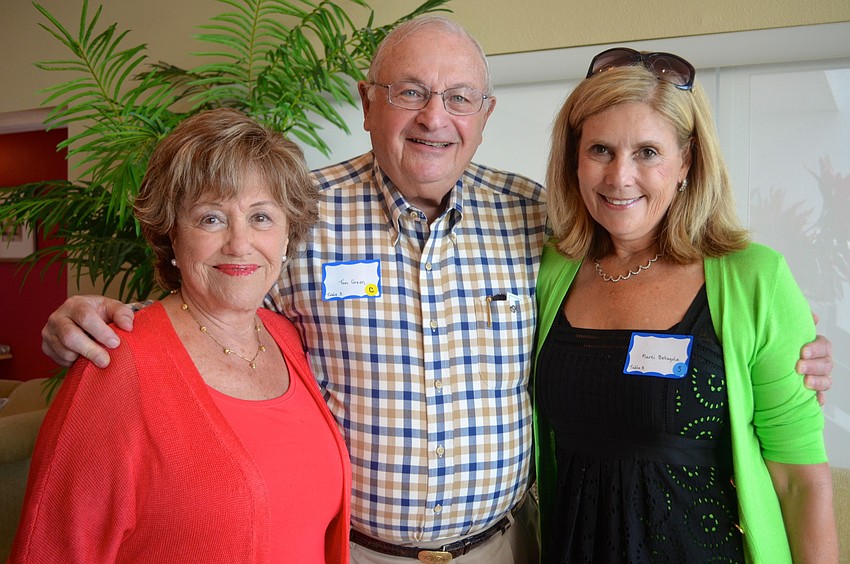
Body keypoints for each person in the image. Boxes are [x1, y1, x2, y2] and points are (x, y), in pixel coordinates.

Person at [39, 18, 835, 564]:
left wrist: (778, 356)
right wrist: (99, 318)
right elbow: (216, 306)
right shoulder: (296, 214)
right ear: (367, 100)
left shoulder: (539, 224)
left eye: (459, 98)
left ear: (485, 114)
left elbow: (676, 299)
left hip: (509, 547)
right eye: (409, 91)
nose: (434, 118)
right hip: (357, 548)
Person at [533, 48, 839, 563]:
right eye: (601, 150)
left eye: (648, 152)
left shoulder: (754, 279)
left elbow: (801, 482)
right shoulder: (549, 272)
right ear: (574, 158)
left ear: (687, 162)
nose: (620, 176)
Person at [12, 109, 351, 563]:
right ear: (172, 235)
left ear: (288, 235)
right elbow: (51, 548)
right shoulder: (115, 364)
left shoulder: (286, 337)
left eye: (261, 217)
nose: (239, 243)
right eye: (211, 219)